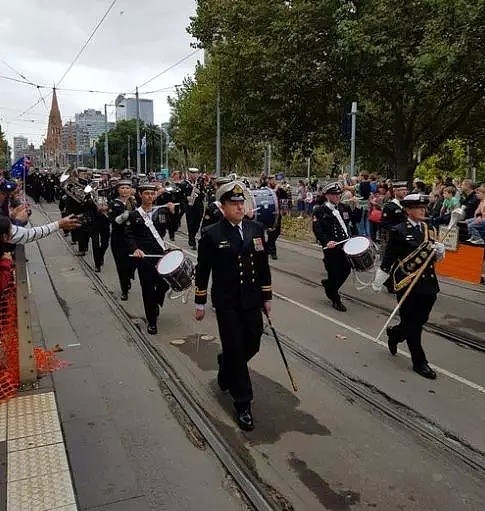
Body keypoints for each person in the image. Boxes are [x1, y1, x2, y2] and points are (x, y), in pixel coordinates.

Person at [194, 181, 272, 431]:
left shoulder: (256, 228)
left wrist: (267, 297)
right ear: (222, 206)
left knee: (253, 342)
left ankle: (226, 365)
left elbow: (262, 266)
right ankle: (243, 403)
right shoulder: (212, 234)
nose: (239, 207)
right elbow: (203, 269)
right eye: (234, 203)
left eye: (242, 203)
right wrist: (200, 300)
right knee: (236, 349)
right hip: (226, 301)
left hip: (251, 298)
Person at [372, 194, 445, 379]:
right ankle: (420, 362)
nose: (423, 210)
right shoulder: (399, 230)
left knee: (419, 320)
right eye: (418, 207)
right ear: (408, 210)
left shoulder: (430, 229)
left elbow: (432, 258)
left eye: (424, 207)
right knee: (413, 325)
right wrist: (380, 278)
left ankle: (395, 334)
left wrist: (439, 253)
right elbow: (389, 257)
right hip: (408, 283)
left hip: (428, 284)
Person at [126, 184, 175, 335]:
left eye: (152, 194)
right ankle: (152, 321)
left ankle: (156, 302)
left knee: (165, 283)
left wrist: (173, 213)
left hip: (160, 256)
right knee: (147, 290)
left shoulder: (161, 211)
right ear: (140, 195)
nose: (149, 196)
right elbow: (129, 235)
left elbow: (173, 227)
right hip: (145, 258)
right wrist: (135, 249)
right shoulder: (134, 215)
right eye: (146, 194)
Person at [312, 182, 360, 312]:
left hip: (345, 245)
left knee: (346, 270)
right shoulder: (320, 210)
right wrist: (326, 242)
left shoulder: (343, 207)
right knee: (334, 272)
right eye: (334, 194)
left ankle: (330, 287)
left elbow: (355, 220)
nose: (337, 196)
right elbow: (318, 229)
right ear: (328, 196)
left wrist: (356, 207)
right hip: (332, 247)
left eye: (339, 194)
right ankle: (334, 297)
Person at [107, 180, 137, 300]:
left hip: (133, 238)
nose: (125, 190)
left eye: (127, 188)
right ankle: (124, 289)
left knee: (133, 263)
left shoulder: (134, 203)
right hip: (118, 238)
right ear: (118, 190)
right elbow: (113, 221)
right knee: (121, 265)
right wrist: (124, 215)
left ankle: (129, 276)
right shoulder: (113, 204)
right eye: (122, 188)